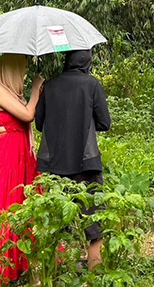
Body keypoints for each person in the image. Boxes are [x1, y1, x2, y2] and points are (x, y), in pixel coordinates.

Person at [35, 49, 112, 268]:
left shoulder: (49, 86)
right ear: (87, 62)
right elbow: (104, 123)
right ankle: (92, 286)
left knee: (55, 227)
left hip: (53, 166)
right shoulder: (92, 85)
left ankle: (54, 283)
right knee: (94, 226)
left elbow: (39, 124)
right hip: (86, 163)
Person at [0, 54, 42, 287]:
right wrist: (36, 90)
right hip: (7, 155)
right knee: (4, 205)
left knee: (23, 204)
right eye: (22, 70)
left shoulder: (13, 93)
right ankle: (0, 272)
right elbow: (27, 115)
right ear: (11, 69)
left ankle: (24, 266)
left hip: (20, 153)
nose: (24, 76)